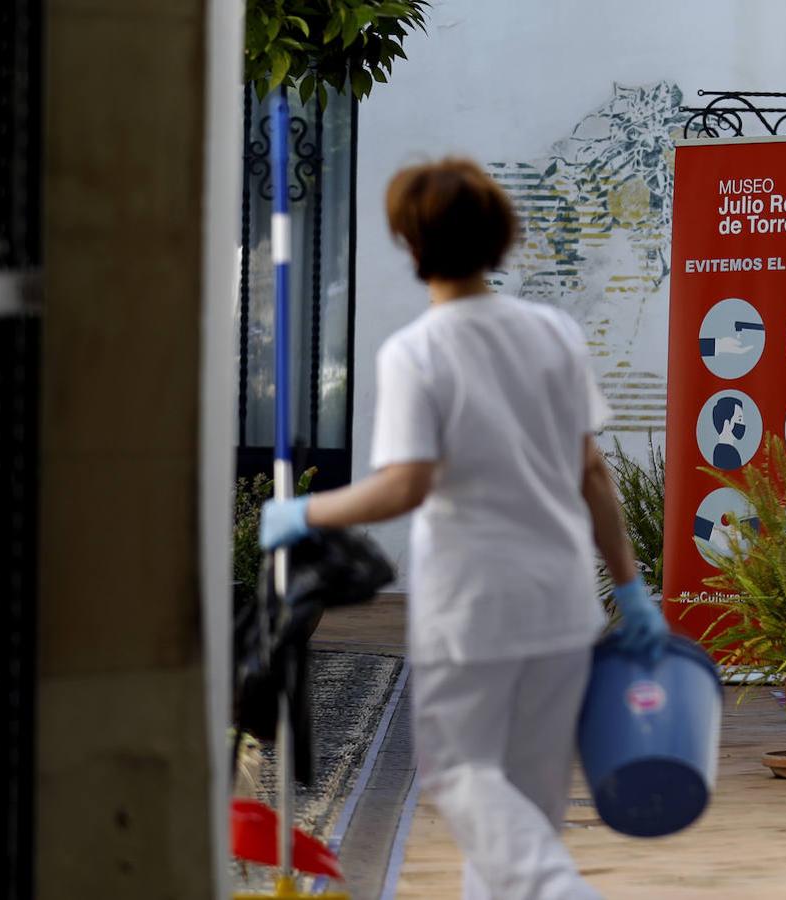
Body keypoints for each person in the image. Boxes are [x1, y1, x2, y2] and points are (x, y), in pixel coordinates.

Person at [259, 157, 667, 900]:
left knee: (459, 777)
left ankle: (564, 892)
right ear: (500, 240)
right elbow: (594, 473)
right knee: (524, 812)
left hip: (474, 609)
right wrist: (634, 591)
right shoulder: (553, 335)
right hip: (562, 604)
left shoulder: (419, 352)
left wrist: (301, 512)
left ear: (410, 246)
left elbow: (405, 484)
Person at [709, 395, 745, 470]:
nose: (743, 423)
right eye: (739, 419)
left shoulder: (720, 450)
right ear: (726, 423)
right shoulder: (729, 453)